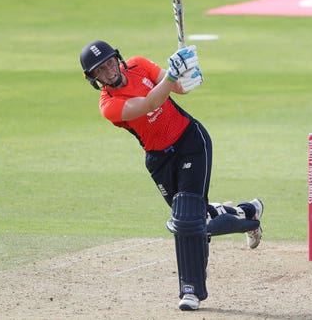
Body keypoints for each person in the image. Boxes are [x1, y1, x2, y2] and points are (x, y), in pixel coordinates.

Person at [79, 40, 264, 311]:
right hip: (158, 159)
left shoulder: (139, 65)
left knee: (188, 219)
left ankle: (192, 290)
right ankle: (248, 214)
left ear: (117, 58)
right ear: (94, 78)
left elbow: (177, 89)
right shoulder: (108, 104)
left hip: (190, 141)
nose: (109, 70)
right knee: (194, 218)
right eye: (100, 69)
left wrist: (187, 74)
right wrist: (173, 74)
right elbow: (147, 104)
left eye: (109, 62)